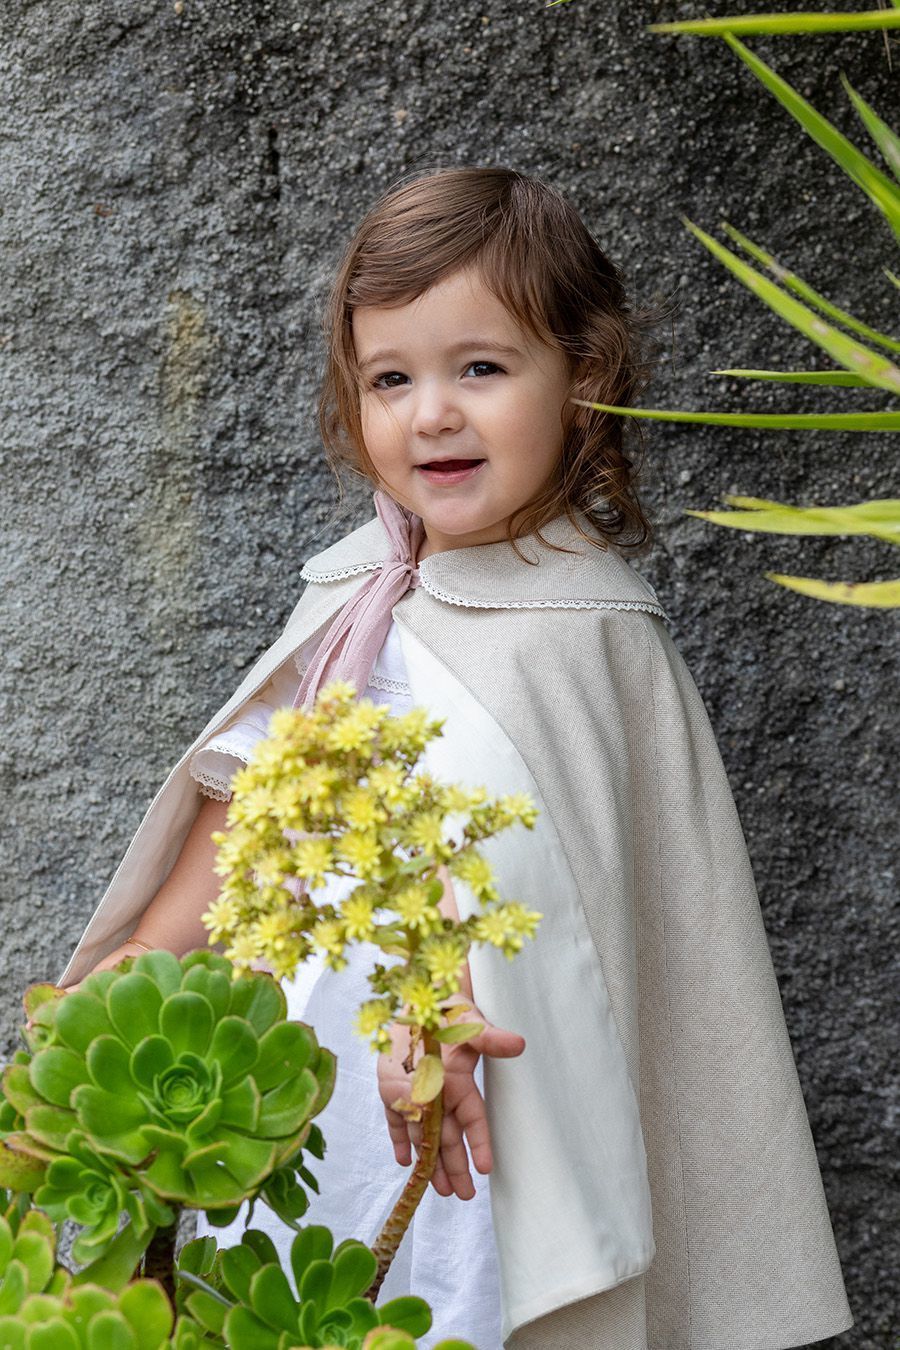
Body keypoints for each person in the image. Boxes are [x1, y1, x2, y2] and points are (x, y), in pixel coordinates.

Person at [59, 167, 853, 1350]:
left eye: (478, 368)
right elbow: (246, 815)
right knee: (275, 1295)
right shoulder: (350, 594)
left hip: (474, 1112)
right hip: (300, 1079)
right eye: (391, 379)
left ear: (583, 377)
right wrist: (121, 977)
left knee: (445, 1307)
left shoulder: (588, 639)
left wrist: (441, 1023)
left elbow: (550, 905)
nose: (430, 413)